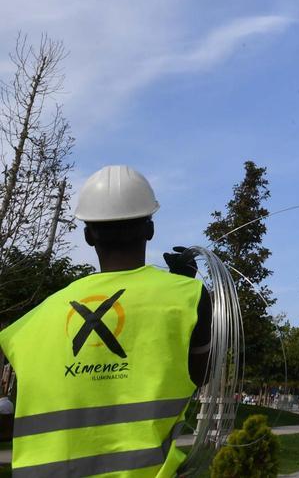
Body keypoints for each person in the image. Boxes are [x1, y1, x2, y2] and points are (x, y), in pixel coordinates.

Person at [0, 165, 212, 476]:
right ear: (150, 229)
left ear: (88, 236)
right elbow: (200, 375)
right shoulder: (189, 298)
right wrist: (182, 287)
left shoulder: (31, 323)